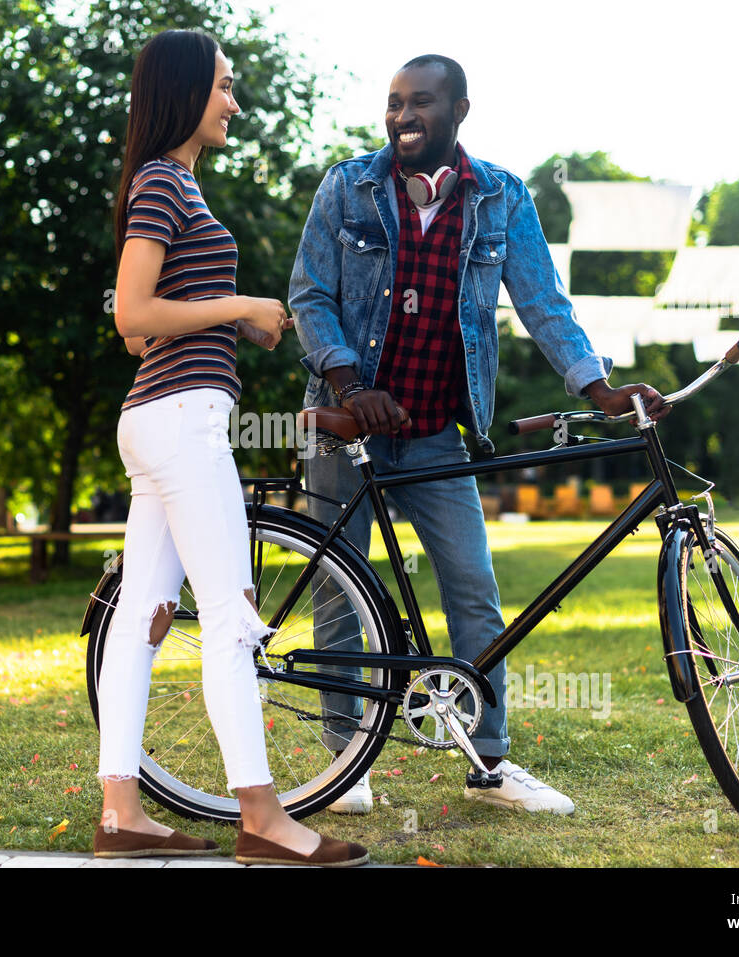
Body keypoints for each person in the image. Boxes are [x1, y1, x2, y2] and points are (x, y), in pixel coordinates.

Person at [289, 54, 670, 816]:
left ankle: (489, 764)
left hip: (435, 429)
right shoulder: (347, 185)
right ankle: (344, 765)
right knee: (340, 587)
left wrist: (598, 387)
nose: (402, 117)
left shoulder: (501, 196)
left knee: (473, 588)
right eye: (394, 103)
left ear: (460, 110)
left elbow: (543, 305)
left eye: (420, 103)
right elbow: (309, 295)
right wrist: (350, 386)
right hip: (341, 423)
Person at [94, 28, 368, 867]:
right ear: (184, 91)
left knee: (142, 620)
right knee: (232, 617)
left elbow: (151, 334)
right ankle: (263, 817)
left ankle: (121, 816)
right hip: (182, 424)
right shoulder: (161, 183)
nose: (234, 102)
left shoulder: (171, 186)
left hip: (160, 415)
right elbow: (132, 316)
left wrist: (230, 322)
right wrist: (241, 304)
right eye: (223, 86)